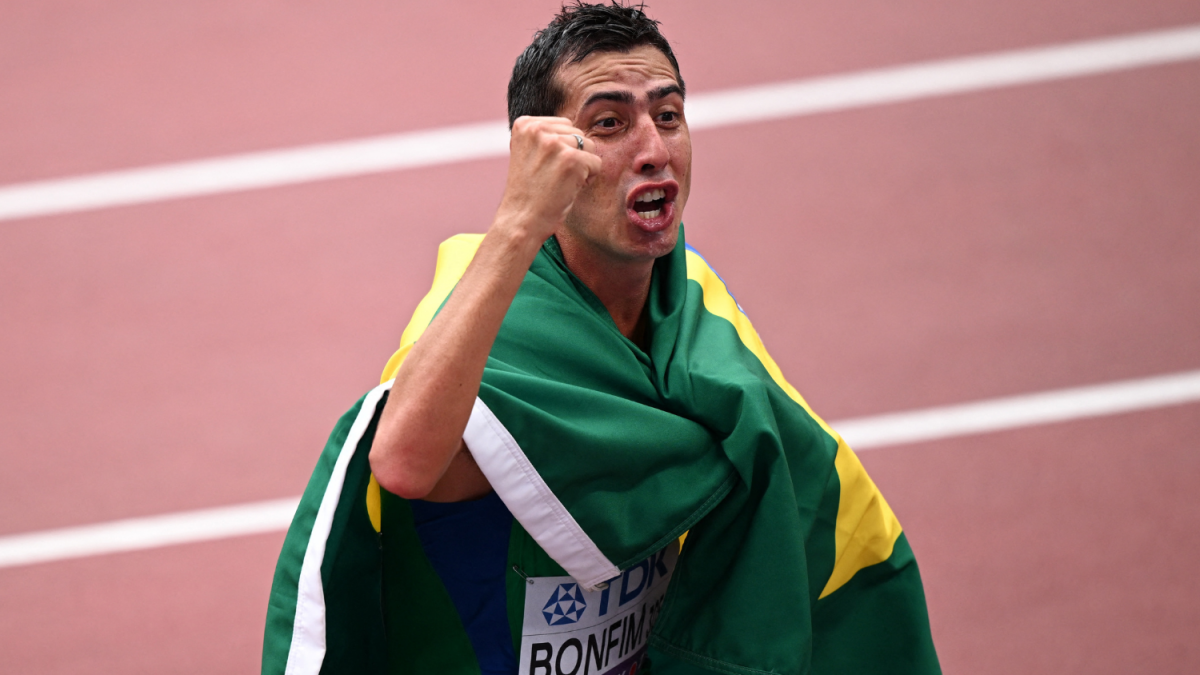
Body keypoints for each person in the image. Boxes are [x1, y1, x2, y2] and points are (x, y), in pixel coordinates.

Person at [263, 4, 941, 675]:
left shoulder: (692, 303)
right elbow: (403, 462)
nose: (654, 150)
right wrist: (520, 221)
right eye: (609, 123)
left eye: (668, 116)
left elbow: (798, 494)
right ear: (543, 157)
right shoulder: (482, 317)